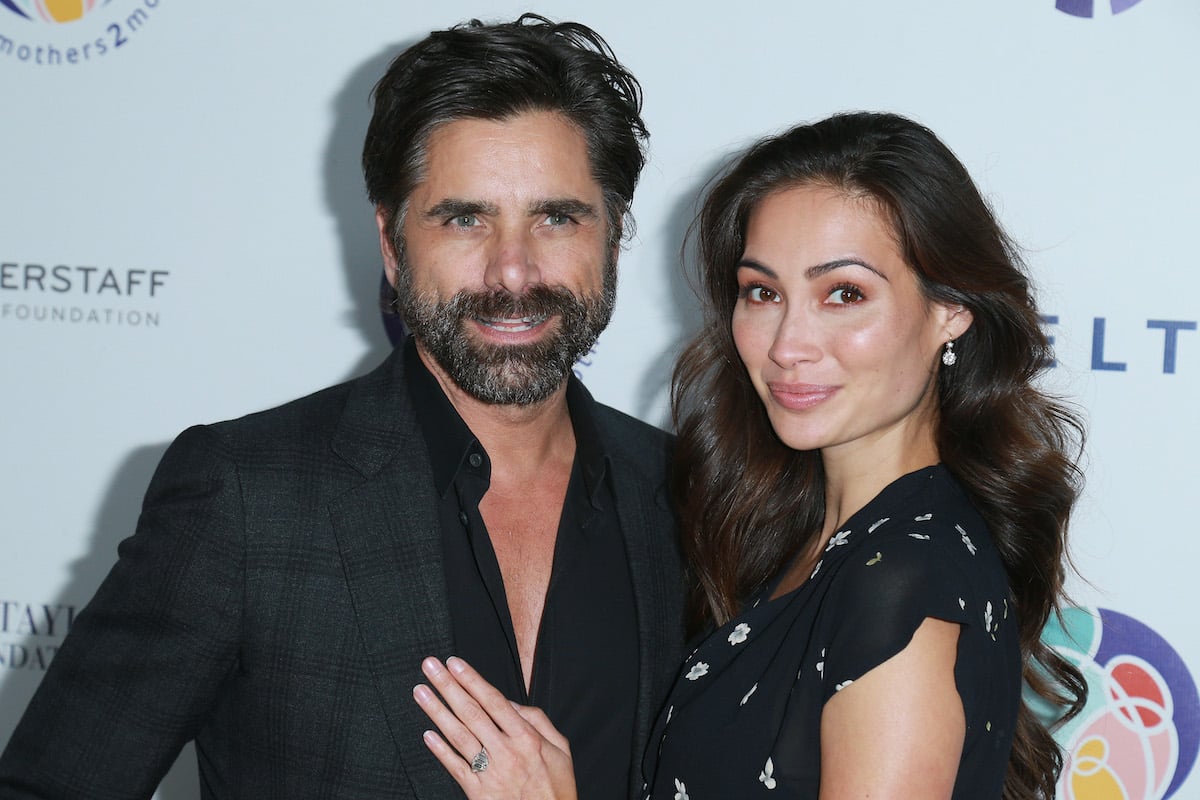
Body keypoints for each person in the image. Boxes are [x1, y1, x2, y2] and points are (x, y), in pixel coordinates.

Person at [0, 14, 683, 800]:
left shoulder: (687, 497)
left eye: (556, 217)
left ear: (613, 238)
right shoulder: (247, 499)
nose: (514, 271)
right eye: (465, 218)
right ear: (392, 246)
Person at [414, 111, 1086, 799]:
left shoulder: (905, 580)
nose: (788, 343)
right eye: (762, 293)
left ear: (951, 309)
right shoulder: (814, 539)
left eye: (844, 294)